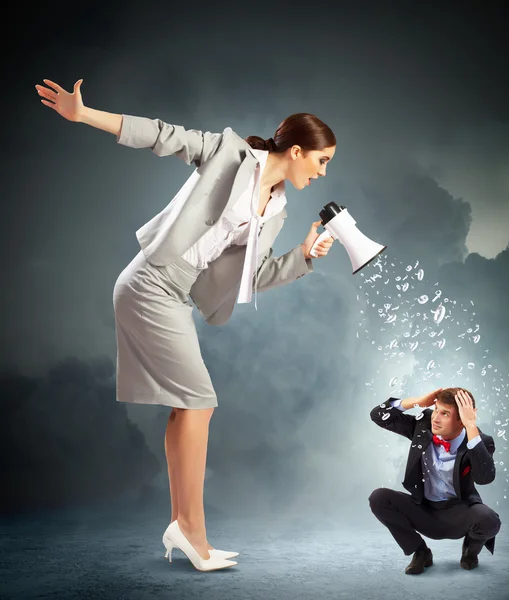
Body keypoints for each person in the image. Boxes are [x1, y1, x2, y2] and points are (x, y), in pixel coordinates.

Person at [35, 78, 336, 572]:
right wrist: (84, 115)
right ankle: (191, 532)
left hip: (179, 297)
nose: (323, 173)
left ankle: (185, 526)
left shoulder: (277, 210)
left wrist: (303, 255)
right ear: (298, 151)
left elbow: (251, 275)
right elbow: (161, 134)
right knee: (199, 402)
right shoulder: (228, 154)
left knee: (189, 406)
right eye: (322, 161)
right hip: (150, 282)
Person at [368, 387, 501, 574]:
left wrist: (471, 426)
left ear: (462, 420)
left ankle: (470, 552)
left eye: (444, 413)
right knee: (379, 498)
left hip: (459, 513)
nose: (435, 418)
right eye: (436, 409)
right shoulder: (423, 425)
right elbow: (378, 415)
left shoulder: (481, 440)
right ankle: (420, 552)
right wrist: (417, 402)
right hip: (423, 509)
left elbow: (485, 478)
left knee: (489, 520)